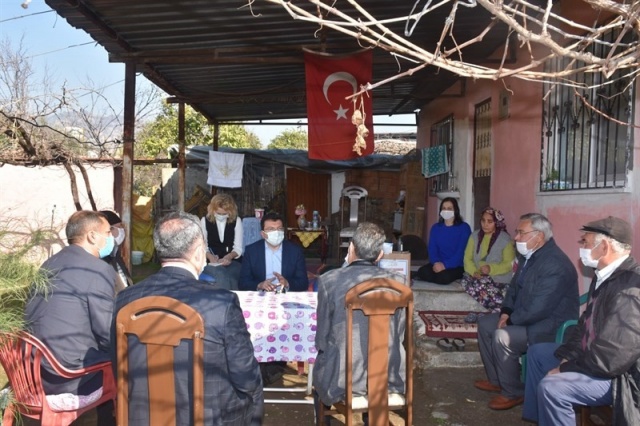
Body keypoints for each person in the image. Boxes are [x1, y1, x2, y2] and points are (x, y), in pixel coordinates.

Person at [112, 211, 263, 425]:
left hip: (142, 415)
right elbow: (246, 376)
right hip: (209, 417)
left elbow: (117, 364)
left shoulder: (125, 299)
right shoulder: (221, 303)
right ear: (199, 251)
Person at [523, 216, 640, 425]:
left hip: (620, 377)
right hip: (593, 359)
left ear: (604, 246)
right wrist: (568, 356)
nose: (582, 248)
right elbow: (585, 324)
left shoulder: (630, 288)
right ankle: (541, 419)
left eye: (585, 242)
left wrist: (566, 368)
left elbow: (612, 358)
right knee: (537, 353)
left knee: (552, 387)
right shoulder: (604, 275)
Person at [474, 213, 578, 411]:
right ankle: (498, 380)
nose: (516, 237)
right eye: (517, 232)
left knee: (503, 336)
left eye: (521, 233)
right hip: (526, 316)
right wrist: (506, 312)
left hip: (549, 325)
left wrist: (510, 321)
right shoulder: (529, 256)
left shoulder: (555, 264)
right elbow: (514, 288)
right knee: (486, 324)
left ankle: (513, 392)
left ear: (539, 236)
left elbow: (540, 308)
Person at [24, 210, 118, 425]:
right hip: (67, 377)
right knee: (126, 355)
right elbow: (106, 332)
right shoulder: (97, 269)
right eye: (108, 232)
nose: (111, 238)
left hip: (31, 371)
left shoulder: (49, 263)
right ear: (92, 236)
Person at [313, 222, 407, 422]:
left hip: (343, 381)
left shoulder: (329, 281)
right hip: (389, 378)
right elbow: (399, 333)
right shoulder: (399, 283)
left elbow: (321, 338)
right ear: (380, 255)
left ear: (351, 248)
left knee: (320, 366)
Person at [461, 207, 515, 312]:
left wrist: (491, 269)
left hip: (498, 277)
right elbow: (467, 258)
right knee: (467, 281)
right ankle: (500, 310)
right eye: (483, 221)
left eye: (490, 222)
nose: (485, 224)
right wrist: (474, 272)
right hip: (477, 276)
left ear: (497, 223)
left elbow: (509, 264)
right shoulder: (474, 236)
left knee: (481, 285)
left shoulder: (505, 239)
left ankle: (498, 309)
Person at [239, 211, 308, 292]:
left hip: (285, 294)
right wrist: (259, 285)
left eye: (279, 229)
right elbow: (243, 283)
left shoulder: (295, 251)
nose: (276, 232)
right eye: (271, 229)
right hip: (261, 295)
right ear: (263, 234)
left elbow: (303, 283)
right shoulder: (251, 251)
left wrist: (287, 283)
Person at [416, 197, 471, 284]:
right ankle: (437, 276)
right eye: (444, 208)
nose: (446, 211)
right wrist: (436, 263)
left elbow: (461, 253)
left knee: (443, 277)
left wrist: (445, 265)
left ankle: (438, 277)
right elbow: (432, 250)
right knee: (422, 272)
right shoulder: (436, 228)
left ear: (455, 210)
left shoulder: (464, 228)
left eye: (449, 208)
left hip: (457, 265)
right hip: (438, 263)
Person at [200, 193, 243, 290]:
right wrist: (210, 257)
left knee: (233, 276)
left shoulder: (237, 221)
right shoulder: (204, 221)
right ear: (212, 210)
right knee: (221, 274)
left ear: (231, 212)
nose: (221, 216)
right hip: (211, 261)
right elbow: (203, 247)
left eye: (224, 214)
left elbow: (238, 248)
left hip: (232, 261)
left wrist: (229, 257)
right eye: (218, 213)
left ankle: (235, 298)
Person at [100, 209, 133, 290]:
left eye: (121, 227)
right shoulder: (100, 259)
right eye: (118, 227)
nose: (121, 230)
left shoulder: (115, 252)